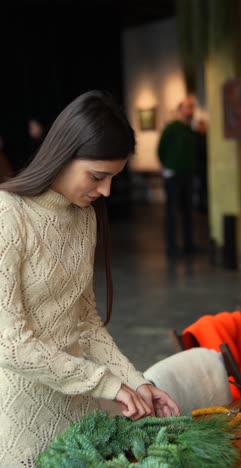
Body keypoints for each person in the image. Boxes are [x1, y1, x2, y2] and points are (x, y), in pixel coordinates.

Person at [0, 90, 179, 467]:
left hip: (80, 418)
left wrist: (136, 381)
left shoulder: (84, 218)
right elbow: (10, 344)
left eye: (113, 178)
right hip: (19, 419)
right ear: (63, 156)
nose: (106, 191)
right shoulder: (8, 215)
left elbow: (86, 324)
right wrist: (106, 383)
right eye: (98, 177)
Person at [158, 96, 197, 258]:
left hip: (187, 175)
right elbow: (161, 149)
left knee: (188, 211)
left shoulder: (190, 130)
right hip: (173, 176)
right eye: (188, 107)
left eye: (192, 107)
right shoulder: (171, 128)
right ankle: (171, 247)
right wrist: (168, 166)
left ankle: (189, 244)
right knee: (172, 212)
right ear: (180, 109)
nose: (191, 110)